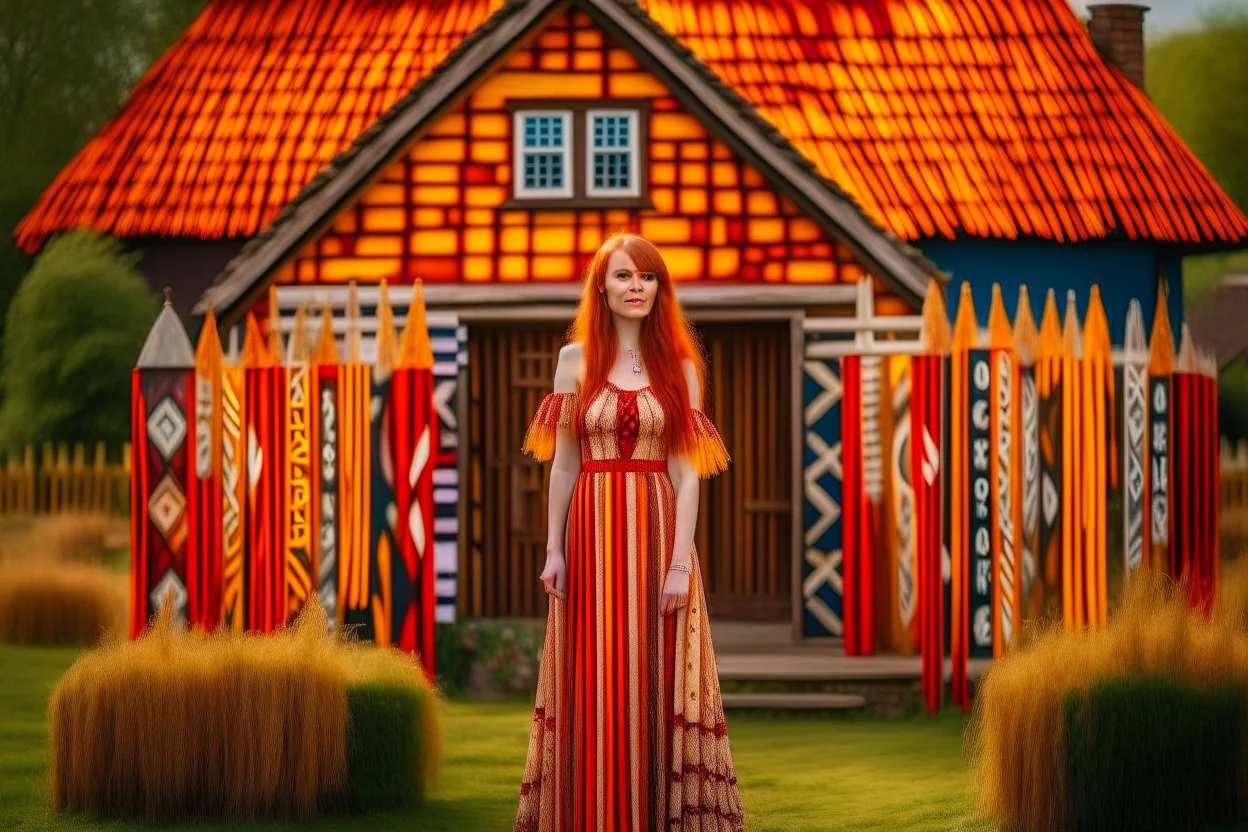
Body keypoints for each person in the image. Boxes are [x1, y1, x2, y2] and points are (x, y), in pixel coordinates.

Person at [514, 233, 745, 832]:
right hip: (590, 536)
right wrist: (554, 550)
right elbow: (565, 464)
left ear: (659, 289)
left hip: (658, 530)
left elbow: (687, 474)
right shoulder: (574, 361)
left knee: (655, 671)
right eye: (623, 276)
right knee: (594, 671)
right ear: (602, 287)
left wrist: (677, 563)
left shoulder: (683, 367)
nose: (635, 287)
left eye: (647, 278)